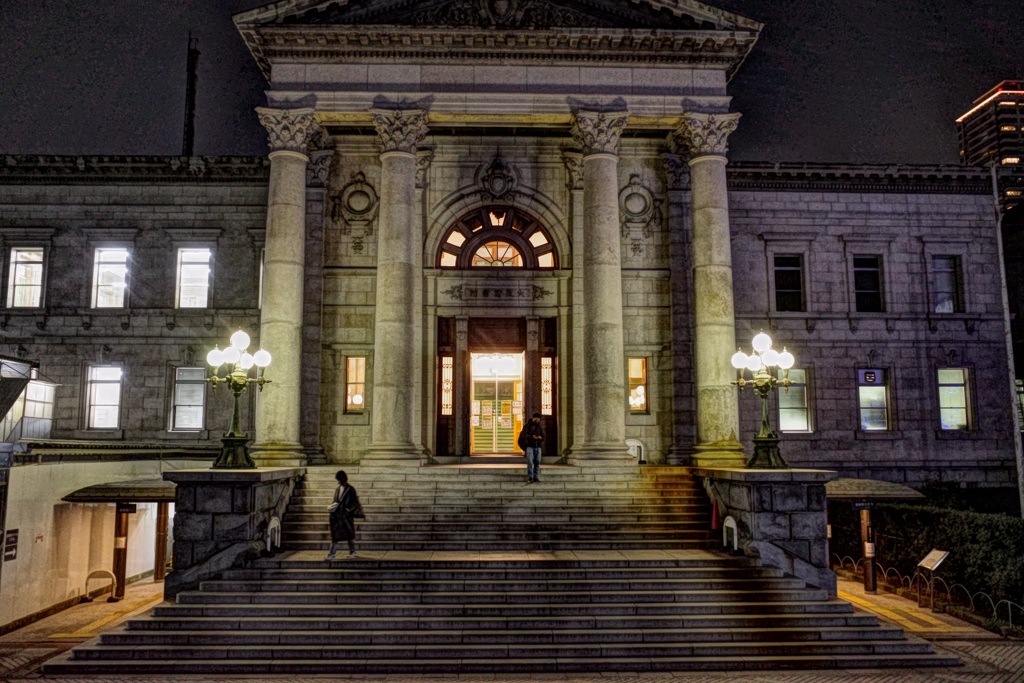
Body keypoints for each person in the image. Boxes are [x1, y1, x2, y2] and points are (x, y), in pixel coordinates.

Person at [326, 470, 361, 560]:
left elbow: (355, 503)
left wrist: (348, 510)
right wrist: (332, 507)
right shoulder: (337, 489)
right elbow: (335, 500)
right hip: (338, 516)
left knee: (349, 535)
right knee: (335, 536)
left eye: (338, 479)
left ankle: (352, 551)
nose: (337, 481)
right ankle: (331, 554)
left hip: (346, 516)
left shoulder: (350, 489)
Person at [522, 412, 545, 483]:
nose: (537, 420)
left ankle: (536, 477)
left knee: (537, 462)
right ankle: (530, 477)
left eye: (538, 418)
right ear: (533, 418)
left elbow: (543, 436)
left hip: (538, 446)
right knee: (530, 462)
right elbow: (524, 435)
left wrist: (540, 437)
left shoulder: (540, 427)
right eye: (536, 418)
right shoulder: (527, 426)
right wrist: (532, 437)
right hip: (530, 446)